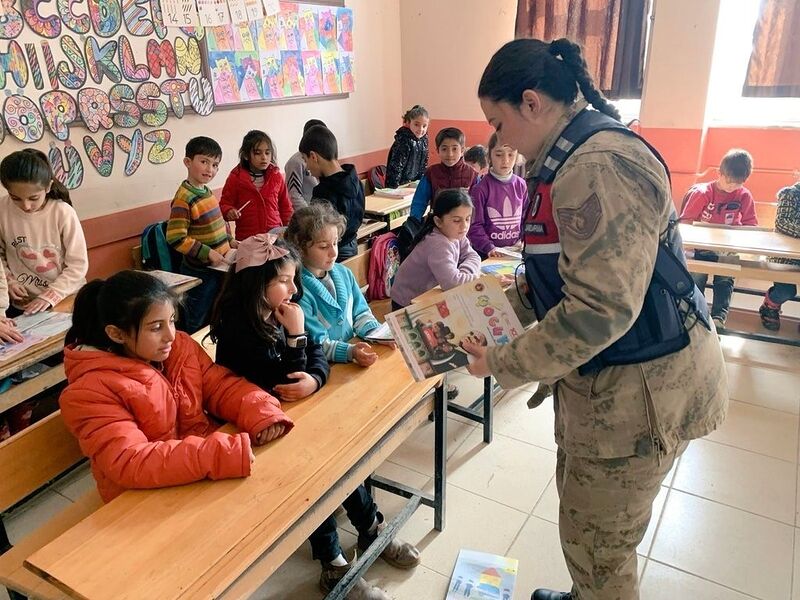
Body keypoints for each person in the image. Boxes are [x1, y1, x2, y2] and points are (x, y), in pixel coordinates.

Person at [462, 38, 728, 600]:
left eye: (497, 122)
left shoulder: (596, 165)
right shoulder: (566, 154)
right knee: (588, 526)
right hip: (612, 388)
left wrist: (504, 361)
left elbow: (601, 308)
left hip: (639, 395)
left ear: (531, 103)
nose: (497, 140)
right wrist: (488, 304)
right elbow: (568, 268)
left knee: (600, 548)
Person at [210, 234, 419, 599]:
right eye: (283, 280)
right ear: (257, 284)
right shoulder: (238, 327)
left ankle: (371, 525)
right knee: (312, 477)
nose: (294, 286)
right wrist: (295, 338)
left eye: (293, 278)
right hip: (260, 430)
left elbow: (317, 354)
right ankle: (334, 563)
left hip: (293, 411)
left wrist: (316, 379)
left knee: (342, 457)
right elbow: (282, 381)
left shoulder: (281, 307)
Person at [58, 270, 293, 503]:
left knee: (284, 483)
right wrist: (214, 455)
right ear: (117, 334)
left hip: (194, 471)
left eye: (171, 320)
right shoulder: (89, 392)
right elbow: (130, 461)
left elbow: (219, 386)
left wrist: (261, 411)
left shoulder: (177, 348)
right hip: (141, 499)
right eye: (155, 327)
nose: (170, 335)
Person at [286, 203, 381, 366]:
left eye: (335, 243)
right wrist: (350, 351)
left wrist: (377, 334)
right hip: (324, 367)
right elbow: (316, 344)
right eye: (323, 246)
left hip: (353, 357)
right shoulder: (298, 291)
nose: (334, 252)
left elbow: (361, 312)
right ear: (300, 248)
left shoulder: (344, 273)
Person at [0, 149, 88, 315]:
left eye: (33, 198)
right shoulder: (2, 209)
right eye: (15, 198)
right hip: (23, 304)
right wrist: (9, 281)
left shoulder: (62, 212)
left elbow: (78, 265)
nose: (26, 206)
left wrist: (50, 296)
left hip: (66, 299)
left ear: (48, 187)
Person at [679, 148, 758, 328]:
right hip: (700, 247)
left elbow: (750, 224)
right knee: (697, 277)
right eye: (728, 182)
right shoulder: (703, 193)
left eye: (736, 184)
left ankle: (718, 317)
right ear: (719, 173)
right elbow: (686, 222)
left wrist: (740, 243)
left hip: (726, 247)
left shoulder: (744, 196)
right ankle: (695, 313)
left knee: (725, 279)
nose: (731, 187)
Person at [166, 136, 236, 333]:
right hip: (200, 272)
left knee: (215, 312)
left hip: (219, 267)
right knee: (196, 319)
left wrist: (230, 241)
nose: (210, 169)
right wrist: (208, 253)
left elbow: (216, 227)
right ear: (188, 162)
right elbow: (176, 238)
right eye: (204, 162)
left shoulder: (206, 191)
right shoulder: (184, 198)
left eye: (215, 165)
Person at [391, 189, 481, 310]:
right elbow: (452, 284)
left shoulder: (456, 234)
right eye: (457, 220)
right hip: (407, 302)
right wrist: (478, 278)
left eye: (467, 219)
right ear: (438, 221)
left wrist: (463, 273)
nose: (464, 226)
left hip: (427, 295)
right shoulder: (438, 244)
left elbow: (473, 256)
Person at [299, 125, 365, 261]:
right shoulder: (355, 180)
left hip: (330, 254)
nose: (307, 167)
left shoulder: (323, 192)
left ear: (313, 156)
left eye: (306, 160)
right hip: (353, 246)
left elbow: (317, 232)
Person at [220, 129, 293, 241]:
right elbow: (224, 204)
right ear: (245, 155)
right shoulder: (236, 178)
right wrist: (229, 211)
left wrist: (289, 230)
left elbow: (285, 207)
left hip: (275, 236)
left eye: (267, 153)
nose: (264, 157)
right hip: (248, 238)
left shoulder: (276, 176)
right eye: (258, 153)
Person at [468, 133, 527, 258]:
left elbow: (526, 219)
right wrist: (489, 247)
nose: (505, 160)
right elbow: (474, 226)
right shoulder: (479, 189)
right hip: (487, 254)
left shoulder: (521, 185)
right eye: (499, 154)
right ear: (489, 156)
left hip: (514, 252)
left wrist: (523, 238)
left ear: (517, 156)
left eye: (511, 154)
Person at [409, 127, 476, 221]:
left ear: (462, 150)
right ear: (438, 151)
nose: (450, 154)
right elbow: (419, 202)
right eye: (444, 149)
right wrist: (413, 222)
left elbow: (479, 206)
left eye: (454, 149)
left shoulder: (472, 175)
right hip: (437, 227)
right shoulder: (431, 173)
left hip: (464, 229)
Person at [759, 179, 800, 330]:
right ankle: (770, 306)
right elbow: (782, 223)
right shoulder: (790, 194)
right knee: (787, 290)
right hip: (784, 256)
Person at [285, 119, 326, 210]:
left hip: (323, 212)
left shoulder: (324, 158)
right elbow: (294, 195)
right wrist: (309, 216)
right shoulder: (295, 162)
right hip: (308, 215)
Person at [385, 105, 430, 189]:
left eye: (424, 126)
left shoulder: (424, 140)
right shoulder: (403, 140)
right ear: (408, 123)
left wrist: (421, 182)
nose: (421, 129)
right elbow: (396, 166)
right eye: (416, 124)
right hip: (399, 185)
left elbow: (424, 164)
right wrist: (393, 188)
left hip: (413, 184)